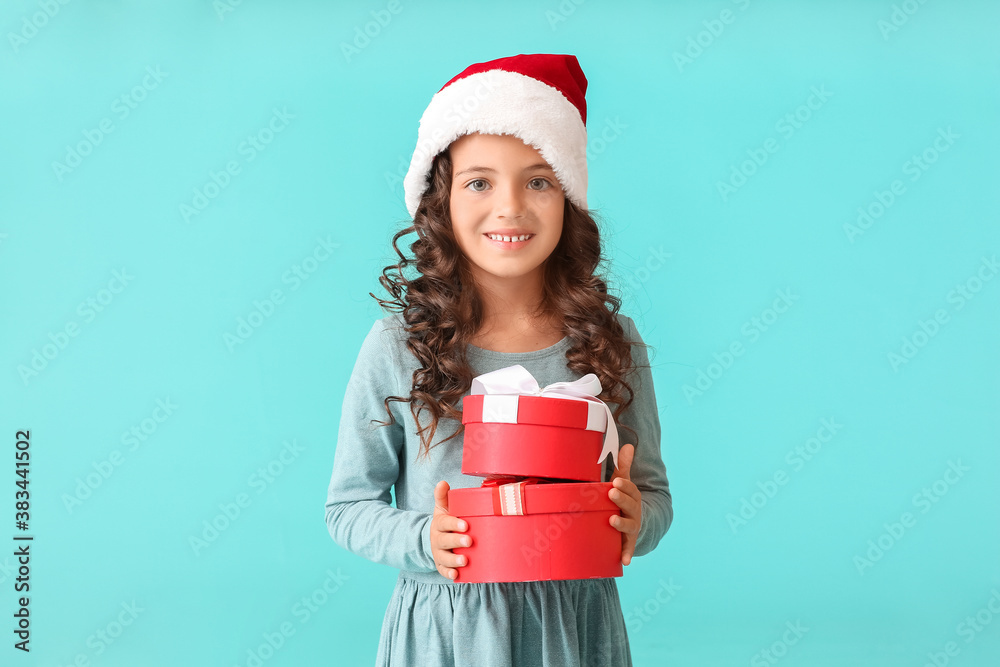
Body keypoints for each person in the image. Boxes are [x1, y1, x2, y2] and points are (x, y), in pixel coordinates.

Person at [325, 53, 673, 667]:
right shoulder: (397, 348)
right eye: (480, 181)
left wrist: (633, 520)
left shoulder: (612, 339)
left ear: (567, 197)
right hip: (448, 631)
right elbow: (347, 508)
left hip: (575, 628)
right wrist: (425, 539)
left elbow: (653, 497)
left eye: (538, 180)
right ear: (442, 202)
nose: (510, 207)